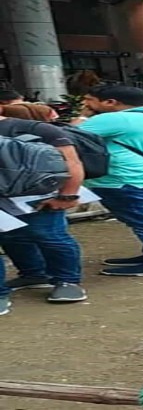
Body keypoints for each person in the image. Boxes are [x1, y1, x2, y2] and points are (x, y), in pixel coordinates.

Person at [77, 86, 143, 277]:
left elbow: (68, 137)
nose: (85, 104)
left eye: (89, 99)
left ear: (111, 102)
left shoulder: (114, 118)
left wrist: (84, 117)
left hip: (128, 180)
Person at [0, 104, 87, 307]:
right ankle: (32, 275)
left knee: (51, 236)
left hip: (38, 198)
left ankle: (67, 281)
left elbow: (72, 163)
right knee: (12, 239)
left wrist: (68, 196)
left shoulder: (37, 129)